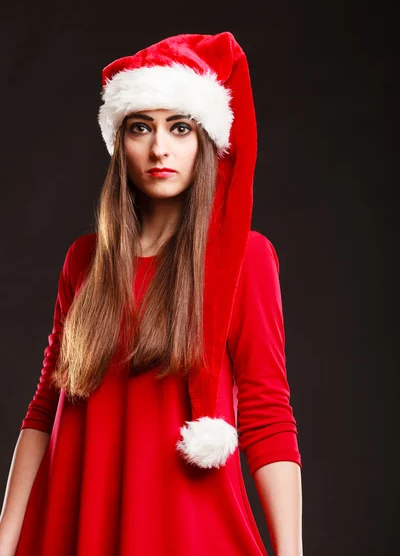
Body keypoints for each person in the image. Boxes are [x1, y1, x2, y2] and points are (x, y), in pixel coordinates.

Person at [0, 32, 303, 555]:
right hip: (77, 529)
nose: (159, 148)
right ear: (120, 142)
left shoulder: (245, 258)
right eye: (141, 127)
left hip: (190, 535)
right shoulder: (84, 260)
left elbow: (266, 411)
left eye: (179, 128)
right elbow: (46, 406)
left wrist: (292, 551)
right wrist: (5, 538)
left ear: (205, 140)